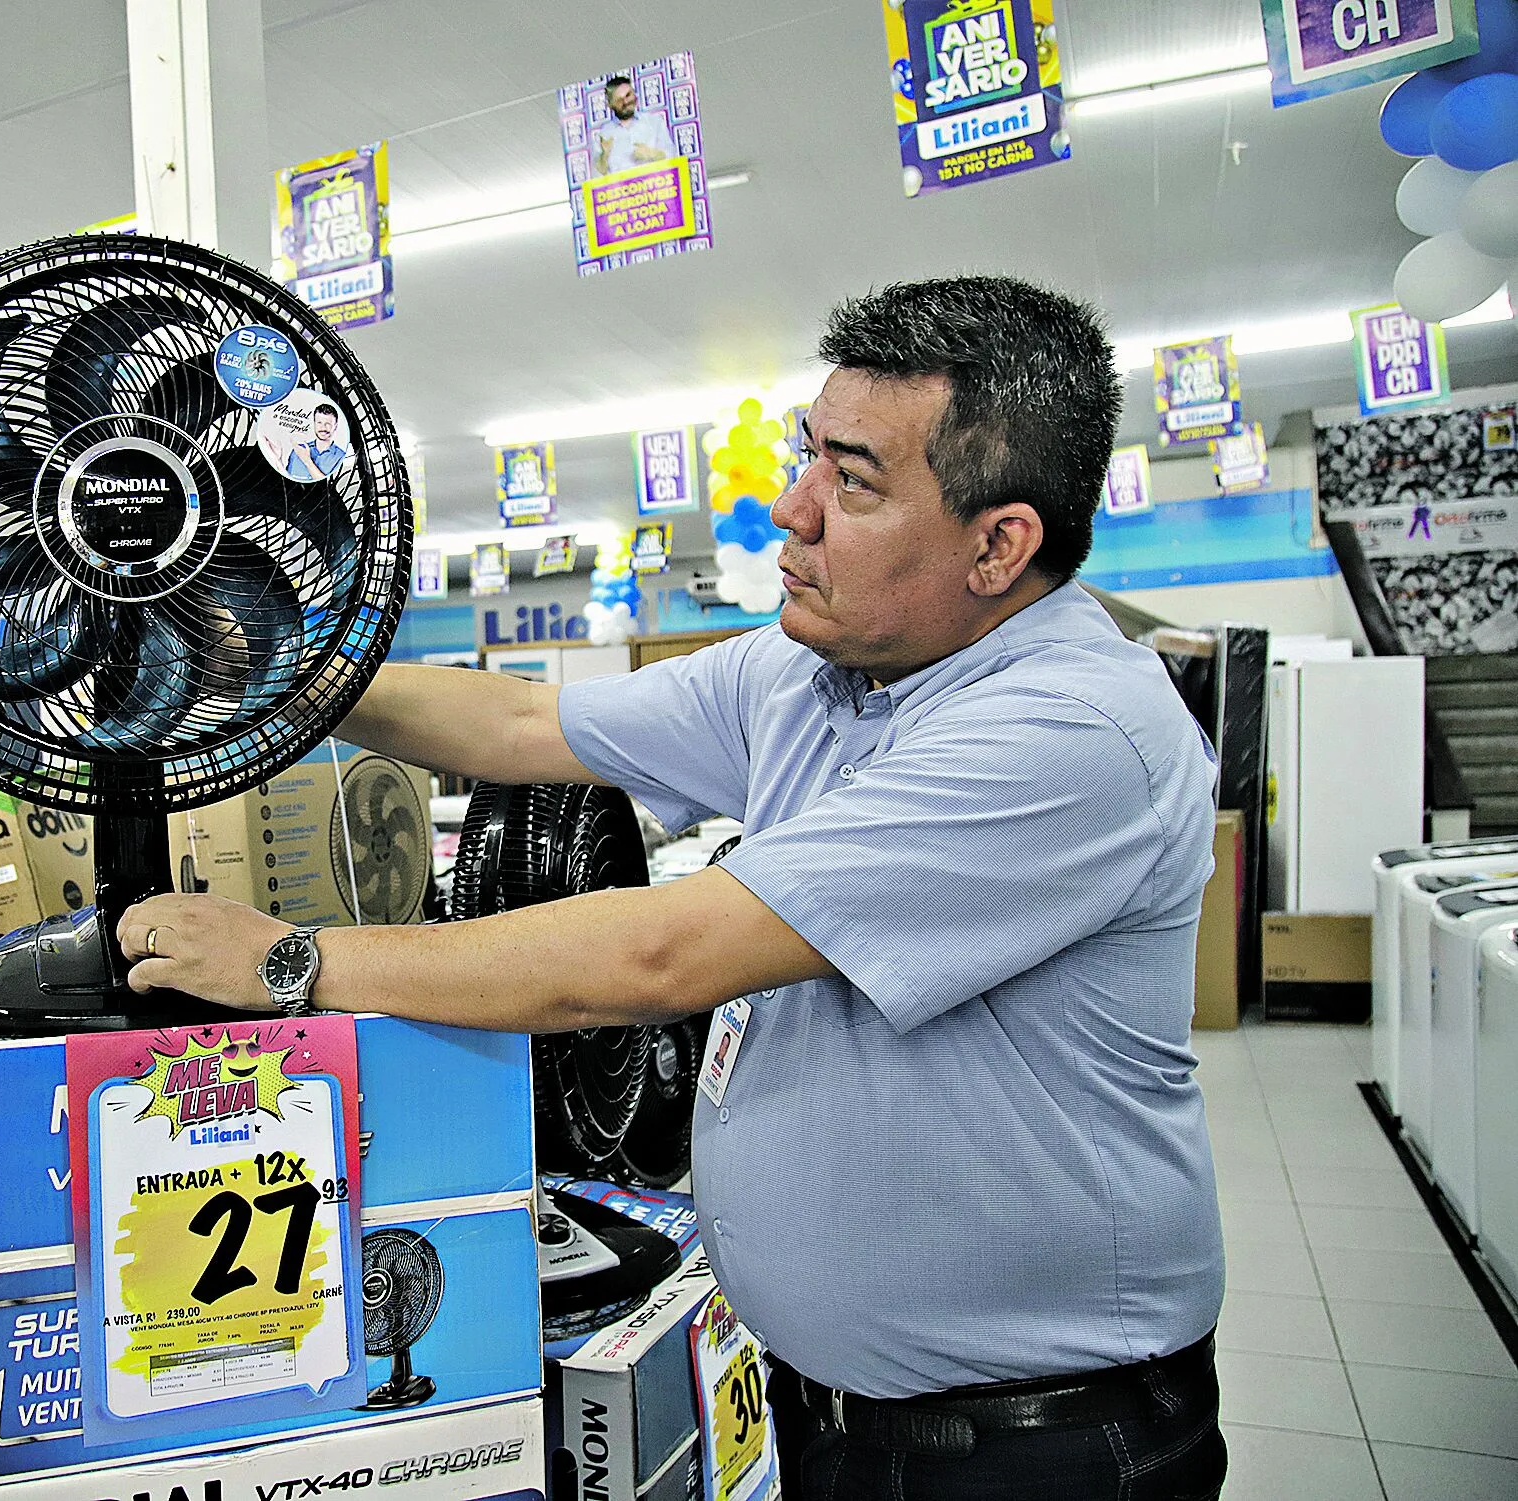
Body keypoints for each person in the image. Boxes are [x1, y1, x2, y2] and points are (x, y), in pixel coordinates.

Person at [120, 277, 1228, 1500]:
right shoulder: (807, 672)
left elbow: (659, 957)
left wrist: (294, 961)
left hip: (1032, 1447)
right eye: (808, 455)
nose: (788, 509)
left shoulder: (1064, 730)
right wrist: (254, 650)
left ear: (996, 543)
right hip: (842, 1409)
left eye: (851, 482)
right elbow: (520, 722)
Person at [591, 74, 677, 175]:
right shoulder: (604, 134)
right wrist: (604, 156)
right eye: (619, 100)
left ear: (635, 95)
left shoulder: (654, 122)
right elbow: (597, 177)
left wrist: (652, 154)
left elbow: (673, 157)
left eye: (628, 95)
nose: (626, 102)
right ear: (610, 104)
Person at [279, 402, 348, 481]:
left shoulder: (341, 457)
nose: (323, 428)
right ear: (314, 424)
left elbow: (329, 487)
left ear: (335, 426)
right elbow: (286, 481)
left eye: (328, 424)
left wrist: (307, 460)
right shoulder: (298, 450)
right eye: (319, 423)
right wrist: (277, 460)